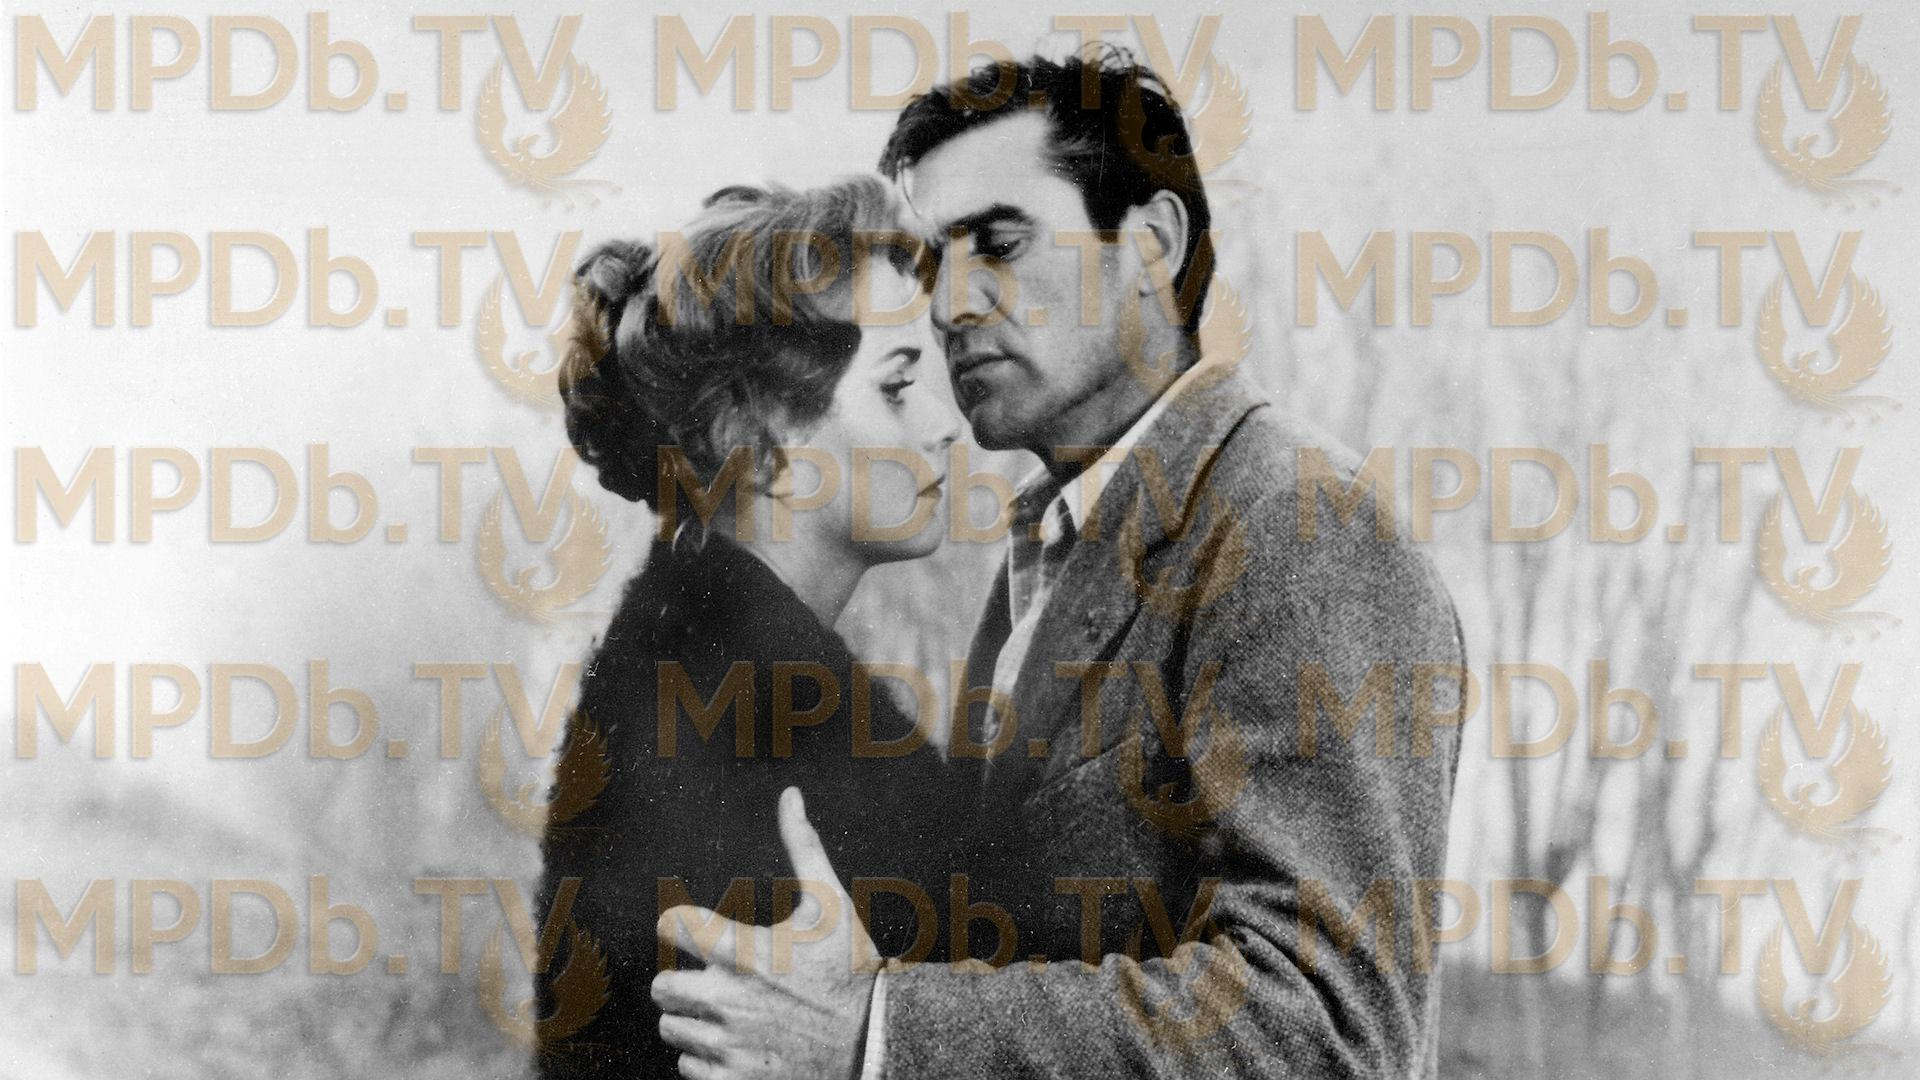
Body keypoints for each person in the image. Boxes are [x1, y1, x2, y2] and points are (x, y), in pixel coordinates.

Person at [651, 51, 1470, 1079]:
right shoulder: (1049, 547)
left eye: (998, 243)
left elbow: (1328, 1028)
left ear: (1152, 245)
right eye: (932, 264)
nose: (950, 305)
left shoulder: (1301, 525)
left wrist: (880, 1033)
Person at [531, 176, 965, 1079]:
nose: (943, 426)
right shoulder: (739, 724)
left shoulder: (683, 654)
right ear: (757, 440)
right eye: (897, 387)